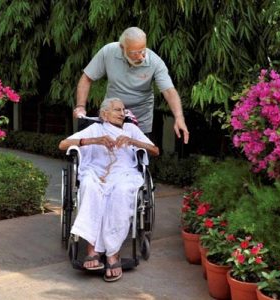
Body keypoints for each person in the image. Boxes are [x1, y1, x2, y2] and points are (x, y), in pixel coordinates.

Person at [59, 97, 159, 282]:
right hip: (97, 172)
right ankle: (93, 250)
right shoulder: (95, 128)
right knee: (89, 186)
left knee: (121, 193)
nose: (122, 113)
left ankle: (113, 253)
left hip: (124, 173)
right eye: (117, 110)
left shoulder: (131, 129)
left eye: (123, 110)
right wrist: (94, 140)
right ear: (104, 114)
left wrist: (133, 141)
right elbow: (63, 144)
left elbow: (155, 150)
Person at [73, 26, 190, 144]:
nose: (141, 56)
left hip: (140, 120)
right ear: (122, 48)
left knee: (139, 157)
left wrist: (179, 116)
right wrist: (80, 106)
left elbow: (169, 91)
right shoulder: (108, 52)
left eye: (143, 50)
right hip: (111, 116)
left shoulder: (155, 62)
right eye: (135, 53)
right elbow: (86, 78)